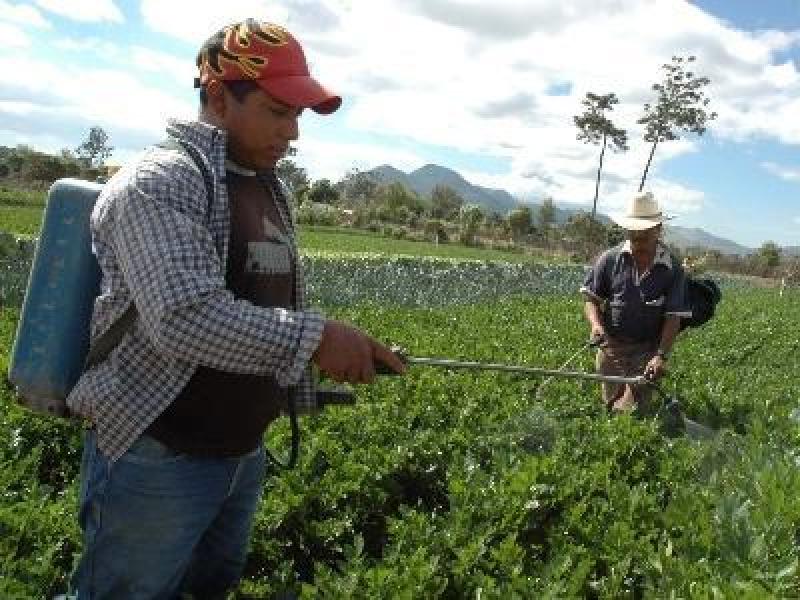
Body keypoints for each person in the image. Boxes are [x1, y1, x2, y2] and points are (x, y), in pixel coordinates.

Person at [65, 19, 406, 598]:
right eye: (279, 112)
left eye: (297, 115)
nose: (293, 132)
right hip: (159, 456)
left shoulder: (270, 187)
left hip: (241, 453)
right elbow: (184, 319)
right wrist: (318, 338)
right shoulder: (162, 182)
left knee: (209, 588)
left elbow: (266, 303)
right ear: (220, 96)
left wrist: (330, 351)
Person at [580, 192, 691, 415]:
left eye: (644, 237)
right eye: (633, 236)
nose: (637, 242)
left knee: (634, 413)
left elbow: (673, 317)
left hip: (646, 350)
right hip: (611, 347)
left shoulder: (672, 269)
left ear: (658, 230)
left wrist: (661, 356)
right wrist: (596, 325)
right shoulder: (610, 259)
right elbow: (591, 299)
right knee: (610, 408)